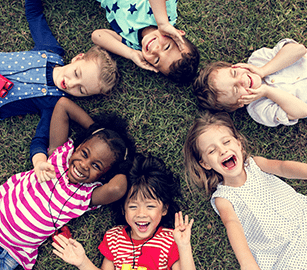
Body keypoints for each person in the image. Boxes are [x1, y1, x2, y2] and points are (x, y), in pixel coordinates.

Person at [0, 98, 136, 270]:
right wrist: (97, 131)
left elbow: (117, 188)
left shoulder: (86, 196)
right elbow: (63, 105)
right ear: (78, 146)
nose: (84, 165)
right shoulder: (59, 154)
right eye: (85, 153)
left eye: (96, 166)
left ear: (104, 176)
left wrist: (124, 164)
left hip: (9, 253)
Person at [0, 0, 118, 167]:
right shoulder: (50, 50)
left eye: (81, 90)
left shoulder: (53, 104)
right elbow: (35, 16)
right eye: (76, 73)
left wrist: (39, 162)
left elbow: (41, 138)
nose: (71, 83)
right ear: (78, 58)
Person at [183, 110, 307, 269]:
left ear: (239, 144)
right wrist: (247, 262)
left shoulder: (257, 165)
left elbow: (282, 167)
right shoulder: (223, 198)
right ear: (205, 164)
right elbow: (231, 224)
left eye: (226, 142)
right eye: (212, 151)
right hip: (282, 252)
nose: (222, 150)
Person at [52, 154, 196, 270]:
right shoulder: (114, 238)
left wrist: (184, 246)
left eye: (150, 206)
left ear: (164, 209)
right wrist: (82, 262)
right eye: (133, 206)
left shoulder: (170, 240)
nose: (141, 214)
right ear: (123, 209)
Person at [193, 38, 307, 127]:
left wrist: (263, 71)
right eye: (236, 89)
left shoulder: (258, 59)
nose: (242, 80)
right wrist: (267, 91)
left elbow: (299, 49)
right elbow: (303, 111)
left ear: (236, 65)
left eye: (234, 73)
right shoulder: (258, 109)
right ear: (238, 104)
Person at [91, 0, 200, 84]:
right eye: (166, 47)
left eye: (157, 60)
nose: (154, 50)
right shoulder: (167, 15)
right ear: (177, 34)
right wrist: (163, 23)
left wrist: (131, 54)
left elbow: (97, 36)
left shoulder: (132, 44)